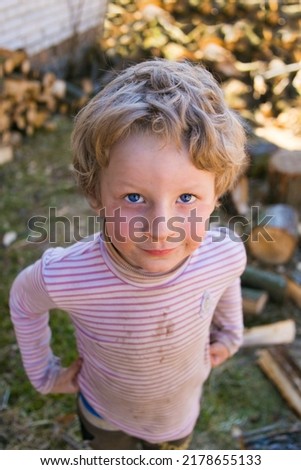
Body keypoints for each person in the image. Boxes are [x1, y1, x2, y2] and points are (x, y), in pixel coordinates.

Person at [9, 59, 248, 450]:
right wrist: (45, 374)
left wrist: (230, 333)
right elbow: (24, 298)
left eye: (187, 198)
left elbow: (226, 276)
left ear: (216, 196)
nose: (160, 226)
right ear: (95, 196)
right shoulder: (69, 275)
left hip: (177, 417)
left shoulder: (223, 253)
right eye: (134, 197)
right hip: (104, 413)